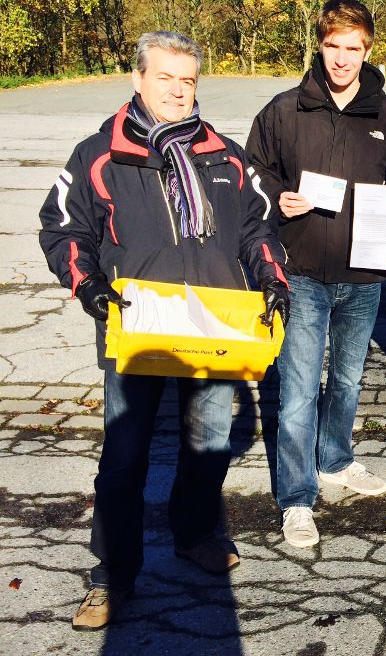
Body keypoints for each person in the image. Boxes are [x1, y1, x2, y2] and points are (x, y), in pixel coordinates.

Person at [38, 31, 290, 630]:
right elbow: (64, 230)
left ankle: (194, 532)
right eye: (165, 78)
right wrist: (88, 286)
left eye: (188, 81)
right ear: (138, 79)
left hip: (215, 327)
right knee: (124, 460)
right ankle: (113, 574)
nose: (178, 92)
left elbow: (257, 227)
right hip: (137, 326)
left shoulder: (226, 155)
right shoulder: (100, 154)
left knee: (209, 445)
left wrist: (271, 277)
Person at [246, 0, 386, 549]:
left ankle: (335, 461)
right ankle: (297, 498)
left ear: (367, 50)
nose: (343, 59)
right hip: (301, 271)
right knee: (299, 390)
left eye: (353, 48)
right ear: (320, 45)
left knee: (348, 381)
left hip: (364, 275)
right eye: (333, 46)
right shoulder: (285, 111)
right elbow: (253, 171)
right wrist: (278, 197)